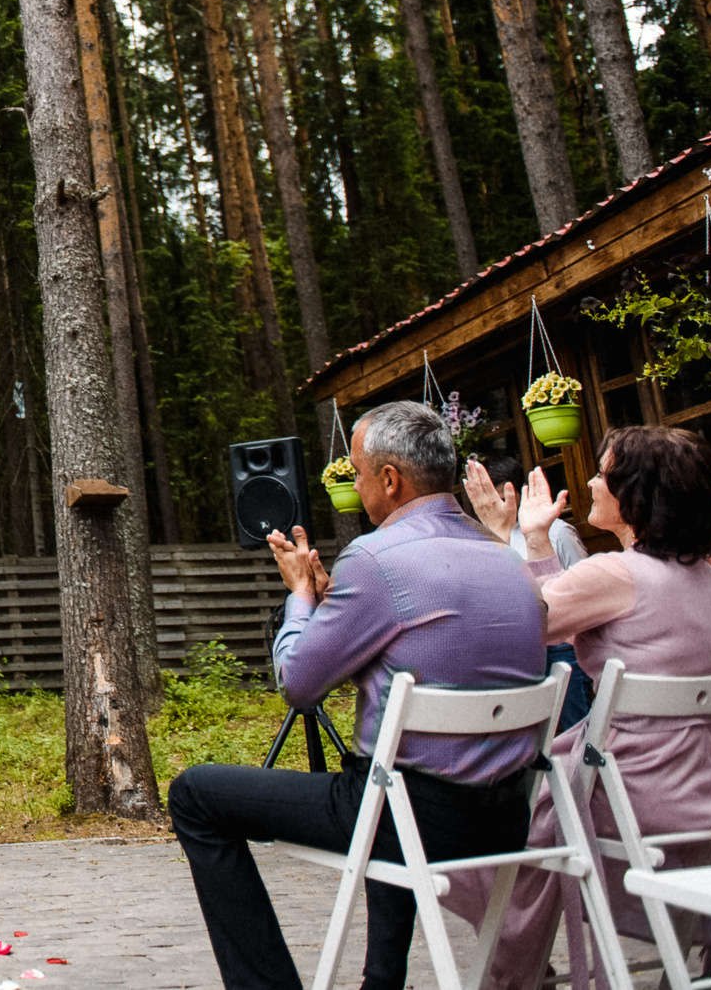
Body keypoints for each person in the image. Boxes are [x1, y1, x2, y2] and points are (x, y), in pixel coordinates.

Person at [170, 401, 548, 990]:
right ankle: (381, 980)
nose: (357, 484)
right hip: (507, 818)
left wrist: (301, 597)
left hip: (411, 819)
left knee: (196, 794)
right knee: (384, 773)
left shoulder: (375, 559)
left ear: (390, 480)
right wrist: (333, 612)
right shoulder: (508, 561)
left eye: (358, 471)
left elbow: (298, 684)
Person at [441, 427, 711, 990]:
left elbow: (516, 627)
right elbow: (569, 609)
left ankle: (512, 969)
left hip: (627, 792)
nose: (591, 482)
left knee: (479, 819)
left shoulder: (614, 574)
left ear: (637, 494)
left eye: (604, 474)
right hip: (705, 786)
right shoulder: (704, 576)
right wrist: (534, 543)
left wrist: (500, 535)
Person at [464, 452, 591, 731]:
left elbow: (581, 587)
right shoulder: (480, 540)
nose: (493, 504)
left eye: (500, 495)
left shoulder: (556, 532)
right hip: (519, 651)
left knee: (575, 727)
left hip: (562, 648)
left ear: (517, 493)